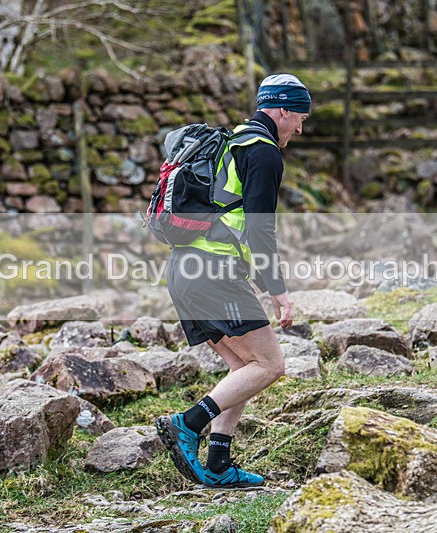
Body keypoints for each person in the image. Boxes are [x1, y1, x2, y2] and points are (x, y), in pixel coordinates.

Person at [156, 74, 310, 488]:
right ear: (282, 110)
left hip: (184, 270)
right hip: (213, 272)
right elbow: (260, 228)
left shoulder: (234, 140)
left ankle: (219, 463)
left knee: (243, 366)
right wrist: (278, 291)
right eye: (300, 118)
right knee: (270, 365)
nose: (300, 129)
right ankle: (187, 424)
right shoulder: (263, 152)